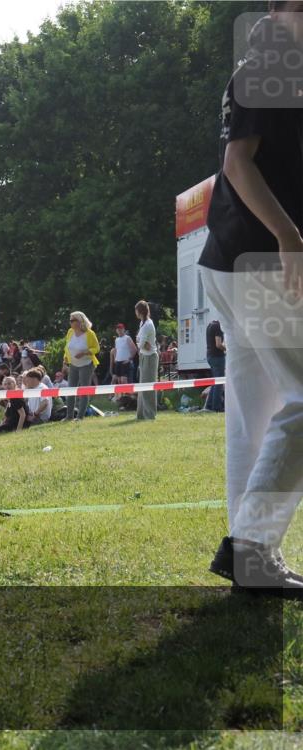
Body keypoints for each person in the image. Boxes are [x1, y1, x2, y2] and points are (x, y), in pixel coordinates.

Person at [198, 3, 303, 589]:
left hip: (230, 260)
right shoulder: (273, 67)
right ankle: (253, 548)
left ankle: (251, 556)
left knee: (252, 416)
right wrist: (289, 235)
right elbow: (237, 164)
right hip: (259, 259)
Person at [61, 312, 99, 420]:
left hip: (87, 364)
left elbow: (96, 348)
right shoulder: (70, 332)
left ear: (80, 321)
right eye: (70, 320)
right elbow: (67, 347)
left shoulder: (89, 333)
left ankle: (80, 417)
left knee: (83, 390)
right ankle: (69, 416)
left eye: (72, 320)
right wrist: (65, 358)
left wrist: (84, 353)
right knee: (70, 390)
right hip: (73, 364)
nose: (70, 322)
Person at [134, 300, 159, 420]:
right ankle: (141, 414)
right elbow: (139, 341)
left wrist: (141, 342)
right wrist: (141, 342)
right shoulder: (142, 323)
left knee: (148, 387)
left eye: (136, 310)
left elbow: (140, 343)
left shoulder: (148, 324)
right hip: (144, 355)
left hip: (150, 357)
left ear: (140, 311)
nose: (135, 313)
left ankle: (150, 415)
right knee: (142, 387)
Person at [204, 319, 226, 412]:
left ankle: (209, 405)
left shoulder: (210, 324)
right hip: (217, 357)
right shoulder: (219, 326)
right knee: (219, 383)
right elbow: (218, 344)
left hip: (210, 356)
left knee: (215, 382)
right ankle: (217, 407)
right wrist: (227, 349)